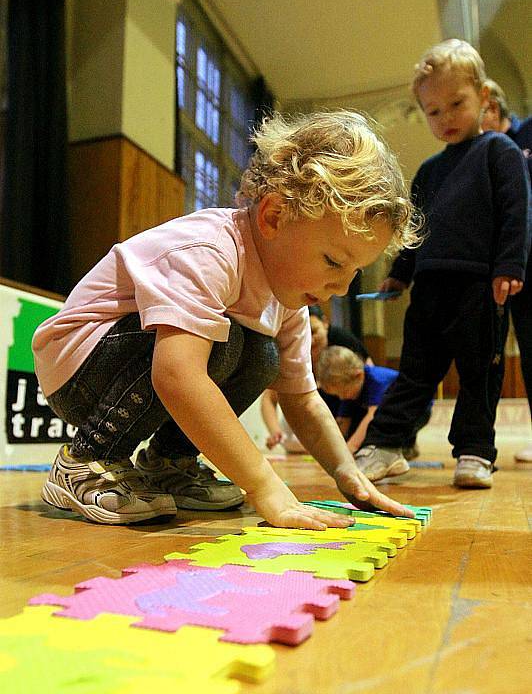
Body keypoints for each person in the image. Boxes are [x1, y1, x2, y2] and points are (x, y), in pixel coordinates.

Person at [32, 110, 420, 527]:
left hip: (127, 369)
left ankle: (169, 463)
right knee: (223, 342)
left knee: (262, 355)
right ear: (274, 216)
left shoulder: (287, 300)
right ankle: (84, 459)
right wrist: (264, 485)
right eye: (332, 261)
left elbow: (302, 399)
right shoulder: (213, 251)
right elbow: (177, 375)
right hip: (80, 368)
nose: (342, 287)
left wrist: (347, 472)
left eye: (353, 272)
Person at [354, 39, 531, 489]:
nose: (446, 118)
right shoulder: (430, 170)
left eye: (457, 104)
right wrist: (400, 272)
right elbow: (416, 229)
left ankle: (474, 453)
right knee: (415, 371)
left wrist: (510, 265)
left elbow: (517, 210)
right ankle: (386, 443)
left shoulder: (500, 152)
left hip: (480, 286)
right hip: (430, 287)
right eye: (434, 111)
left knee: (479, 373)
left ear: (484, 98)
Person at [482, 79, 532, 463]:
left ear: (492, 109)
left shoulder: (526, 135)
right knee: (527, 352)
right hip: (512, 269)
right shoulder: (480, 154)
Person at [262, 305, 371, 452]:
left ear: (325, 323)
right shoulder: (291, 347)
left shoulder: (344, 341)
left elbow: (369, 379)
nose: (310, 340)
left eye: (313, 332)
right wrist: (276, 432)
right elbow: (269, 397)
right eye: (304, 333)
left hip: (345, 420)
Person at [317, 346, 430, 455]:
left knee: (377, 431)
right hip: (389, 411)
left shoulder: (377, 380)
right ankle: (404, 445)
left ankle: (405, 444)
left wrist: (351, 447)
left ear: (358, 376)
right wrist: (333, 449)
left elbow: (372, 416)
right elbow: (343, 421)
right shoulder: (351, 388)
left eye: (344, 392)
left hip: (417, 410)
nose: (342, 398)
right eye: (338, 395)